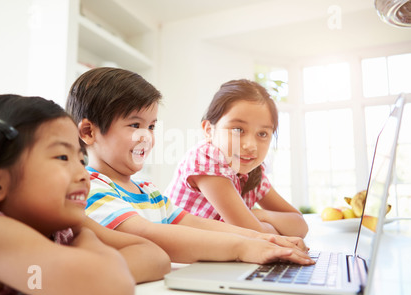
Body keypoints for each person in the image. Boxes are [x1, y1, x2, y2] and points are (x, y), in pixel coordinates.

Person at [66, 67, 314, 266]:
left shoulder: (147, 190)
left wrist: (264, 239)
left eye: (151, 127)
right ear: (88, 132)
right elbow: (146, 234)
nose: (147, 137)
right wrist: (244, 247)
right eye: (135, 125)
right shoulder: (89, 187)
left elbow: (192, 222)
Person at [0, 94, 169, 295]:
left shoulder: (61, 225)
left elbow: (157, 256)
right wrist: (89, 241)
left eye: (80, 159)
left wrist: (90, 269)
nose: (84, 174)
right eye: (62, 157)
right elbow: (113, 287)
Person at [165, 79, 308, 238]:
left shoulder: (253, 172)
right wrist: (266, 227)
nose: (250, 145)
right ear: (208, 130)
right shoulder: (205, 159)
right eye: (238, 129)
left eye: (262, 134)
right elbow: (252, 234)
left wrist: (261, 215)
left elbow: (300, 226)